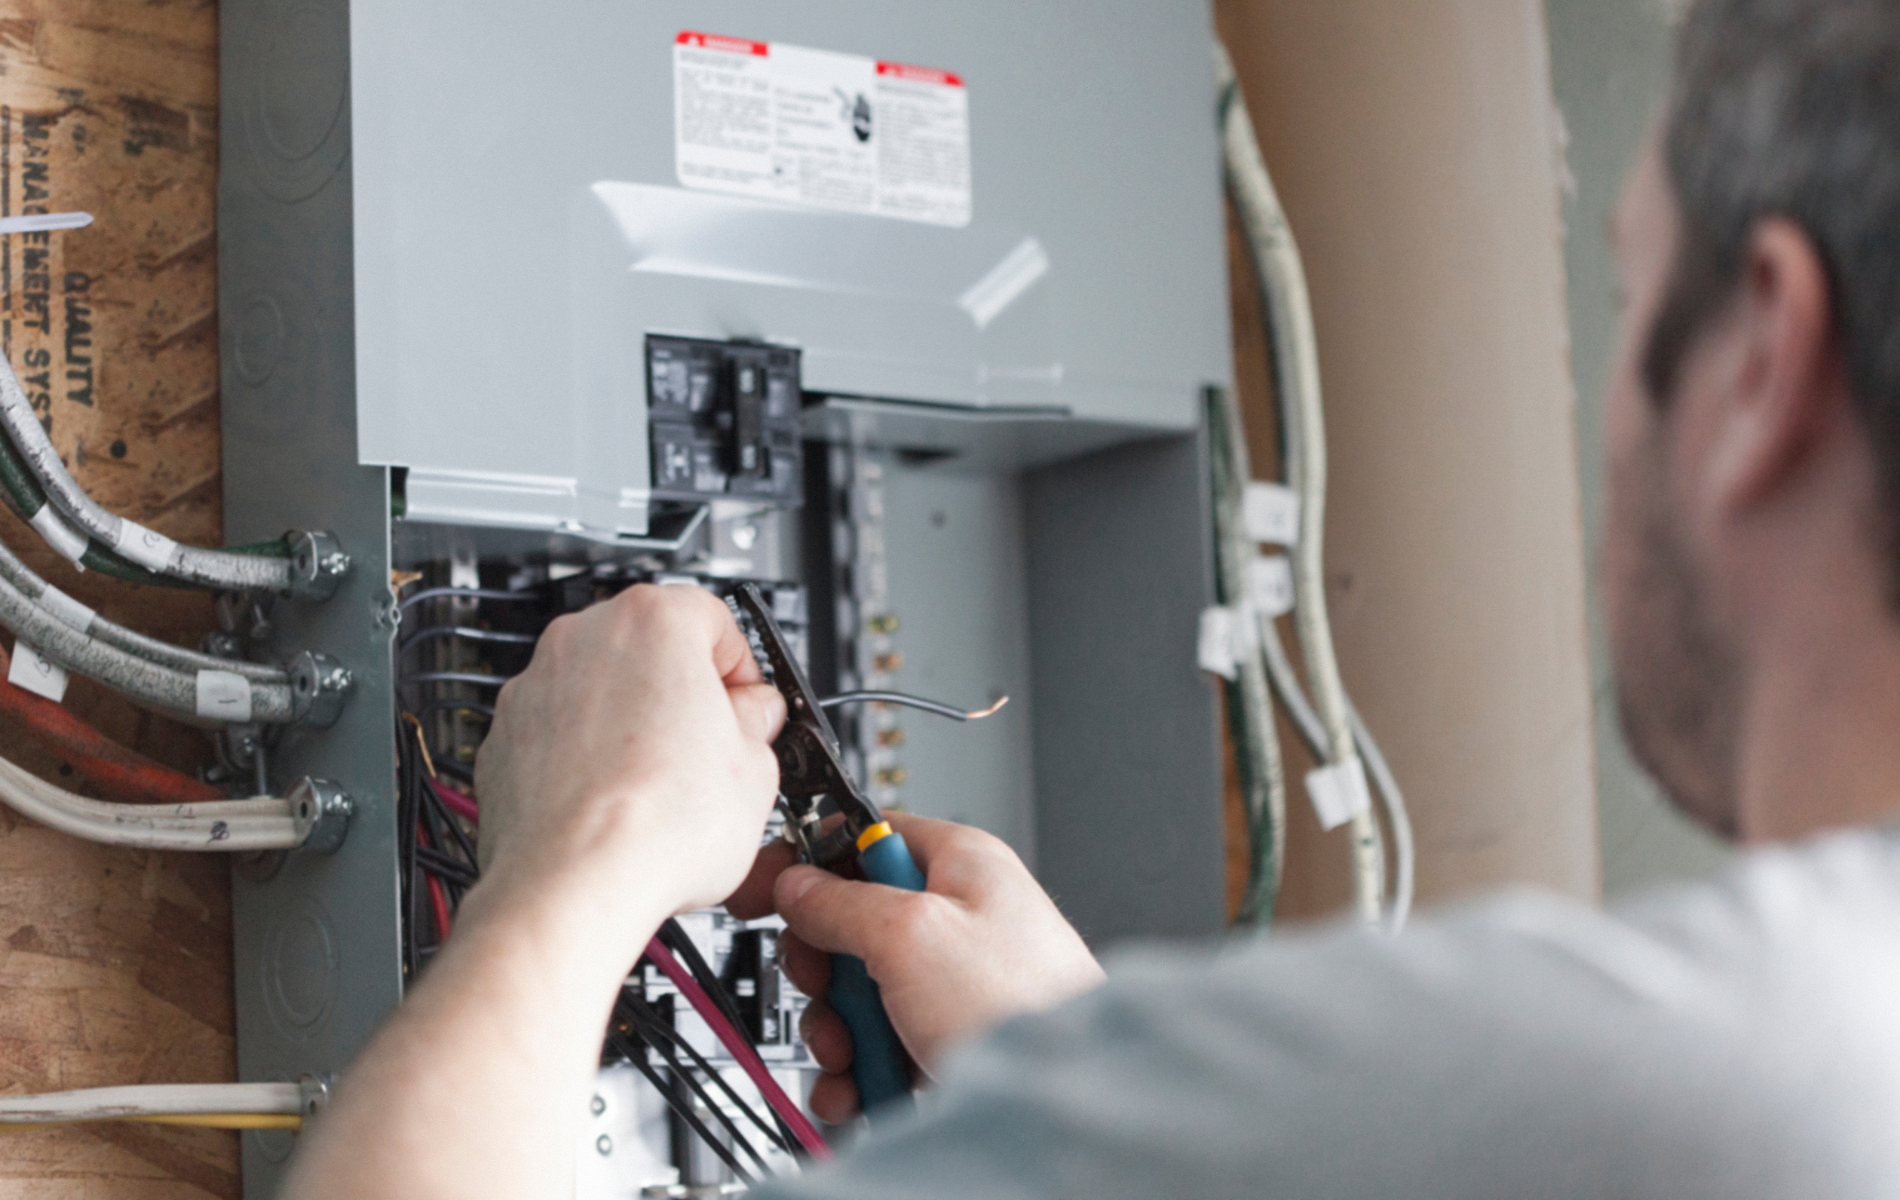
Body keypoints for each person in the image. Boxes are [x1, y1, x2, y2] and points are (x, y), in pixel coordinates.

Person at [284, 0, 1900, 1195]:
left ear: (1761, 358)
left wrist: (575, 866)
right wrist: (1091, 1084)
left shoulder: (1680, 1083)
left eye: (1626, 302)